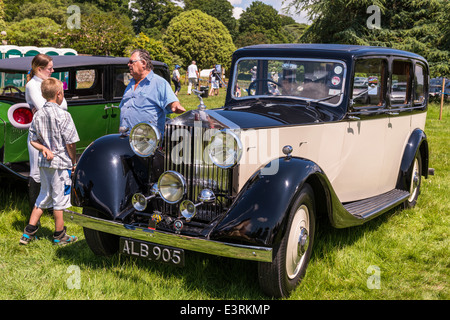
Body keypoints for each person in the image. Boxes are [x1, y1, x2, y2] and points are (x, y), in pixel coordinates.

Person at [20, 78, 79, 246]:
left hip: (44, 164)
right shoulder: (64, 115)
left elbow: (32, 140)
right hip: (61, 164)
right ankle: (59, 235)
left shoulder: (38, 114)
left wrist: (43, 149)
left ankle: (27, 234)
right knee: (60, 200)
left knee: (43, 197)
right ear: (59, 94)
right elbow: (71, 143)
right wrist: (73, 161)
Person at [26, 54, 68, 210]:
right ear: (39, 69)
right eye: (50, 68)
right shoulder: (32, 85)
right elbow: (46, 106)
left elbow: (63, 105)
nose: (53, 70)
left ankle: (51, 208)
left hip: (53, 134)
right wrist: (57, 101)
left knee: (53, 170)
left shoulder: (47, 84)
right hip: (39, 136)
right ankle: (34, 212)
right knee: (36, 172)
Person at [119, 49, 185, 138]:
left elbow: (172, 101)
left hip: (146, 142)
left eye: (131, 62)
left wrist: (175, 106)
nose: (128, 64)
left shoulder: (159, 82)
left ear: (143, 63)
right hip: (126, 137)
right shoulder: (131, 83)